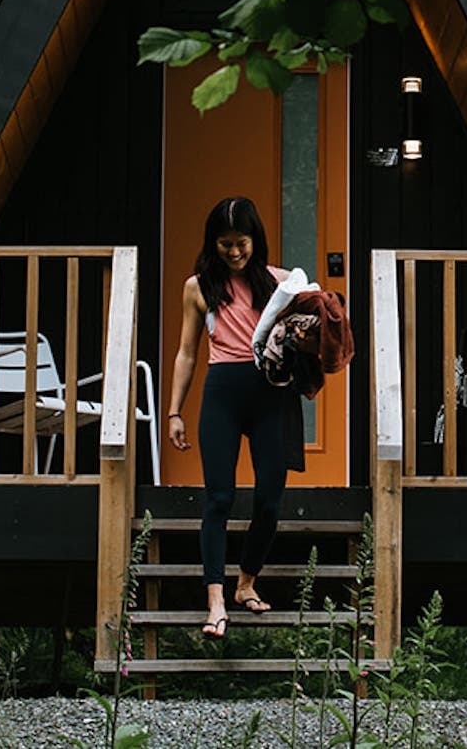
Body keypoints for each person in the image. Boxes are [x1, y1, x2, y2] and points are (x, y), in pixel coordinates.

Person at [165, 196, 301, 639]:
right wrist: (174, 412)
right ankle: (216, 600)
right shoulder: (198, 286)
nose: (234, 252)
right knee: (219, 499)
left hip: (270, 396)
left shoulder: (280, 283)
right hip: (222, 392)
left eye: (241, 242)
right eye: (225, 244)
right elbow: (187, 352)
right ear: (213, 244)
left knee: (268, 501)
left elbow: (306, 337)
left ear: (254, 239)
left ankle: (246, 582)